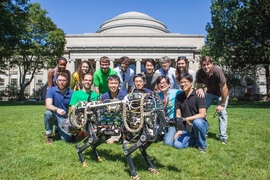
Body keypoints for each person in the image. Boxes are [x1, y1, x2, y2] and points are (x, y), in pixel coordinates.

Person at [196, 56, 229, 144]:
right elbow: (198, 87)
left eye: (208, 64)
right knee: (201, 110)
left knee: (222, 113)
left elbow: (224, 88)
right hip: (210, 93)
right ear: (201, 65)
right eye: (204, 65)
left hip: (221, 94)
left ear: (211, 64)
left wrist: (222, 104)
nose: (206, 67)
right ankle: (204, 132)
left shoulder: (217, 71)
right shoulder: (199, 73)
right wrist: (200, 90)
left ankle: (223, 137)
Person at [173, 73, 209, 153]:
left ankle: (201, 145)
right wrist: (179, 130)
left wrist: (187, 118)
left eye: (185, 82)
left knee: (197, 122)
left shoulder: (198, 94)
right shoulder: (179, 97)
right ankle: (197, 138)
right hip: (187, 127)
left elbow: (202, 114)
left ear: (191, 82)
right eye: (181, 82)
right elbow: (178, 116)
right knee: (177, 145)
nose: (183, 84)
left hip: (199, 124)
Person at [44, 72, 74, 144]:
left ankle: (59, 131)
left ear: (67, 81)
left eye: (64, 80)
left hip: (64, 118)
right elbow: (48, 105)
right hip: (54, 115)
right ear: (56, 81)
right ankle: (49, 135)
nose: (62, 82)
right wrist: (57, 109)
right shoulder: (51, 90)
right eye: (60, 80)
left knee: (68, 139)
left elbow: (73, 107)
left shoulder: (71, 92)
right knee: (48, 113)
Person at [100, 75, 127, 144]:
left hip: (121, 120)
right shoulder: (104, 97)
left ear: (119, 84)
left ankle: (119, 136)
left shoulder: (124, 96)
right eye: (111, 83)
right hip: (108, 120)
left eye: (115, 83)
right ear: (108, 84)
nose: (113, 85)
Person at [156, 76, 182, 145]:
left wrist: (199, 89)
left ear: (169, 84)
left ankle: (171, 132)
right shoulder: (156, 96)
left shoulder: (176, 92)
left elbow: (188, 91)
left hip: (171, 122)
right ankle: (162, 134)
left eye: (164, 82)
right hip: (160, 122)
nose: (162, 85)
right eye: (160, 83)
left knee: (168, 143)